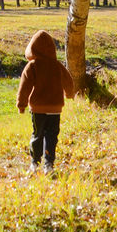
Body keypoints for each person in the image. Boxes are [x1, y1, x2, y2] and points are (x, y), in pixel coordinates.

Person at [16, 29, 75, 176]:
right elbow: (68, 80)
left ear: (32, 48)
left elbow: (24, 87)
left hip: (38, 109)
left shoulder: (32, 66)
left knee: (37, 134)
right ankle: (48, 164)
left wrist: (21, 104)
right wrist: (69, 94)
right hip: (55, 107)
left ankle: (34, 163)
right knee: (51, 135)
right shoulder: (57, 65)